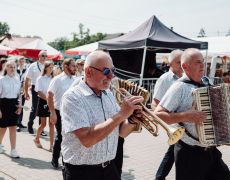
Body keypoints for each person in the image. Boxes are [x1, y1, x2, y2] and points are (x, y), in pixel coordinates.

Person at [60, 50, 143, 180]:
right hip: (82, 172)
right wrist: (122, 114)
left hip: (109, 168)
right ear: (88, 72)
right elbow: (87, 139)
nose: (111, 76)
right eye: (105, 71)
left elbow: (121, 132)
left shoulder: (108, 94)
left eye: (112, 70)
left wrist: (132, 120)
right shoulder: (72, 97)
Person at [154, 48, 230, 180]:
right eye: (198, 62)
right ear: (185, 66)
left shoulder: (206, 81)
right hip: (189, 153)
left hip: (210, 150)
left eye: (203, 62)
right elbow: (158, 115)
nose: (203, 65)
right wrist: (186, 116)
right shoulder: (179, 87)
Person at [152, 49, 183, 180]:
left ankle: (159, 177)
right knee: (176, 152)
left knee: (173, 152)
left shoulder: (187, 77)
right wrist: (168, 122)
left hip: (186, 122)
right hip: (175, 123)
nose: (182, 64)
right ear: (171, 63)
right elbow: (155, 104)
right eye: (178, 62)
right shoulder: (164, 79)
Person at [47, 58, 76, 169]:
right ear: (65, 66)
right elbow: (49, 95)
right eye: (73, 66)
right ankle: (55, 159)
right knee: (61, 136)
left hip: (72, 112)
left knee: (70, 137)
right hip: (59, 112)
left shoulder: (76, 79)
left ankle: (66, 160)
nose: (75, 68)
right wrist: (52, 112)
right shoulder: (57, 79)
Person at [0, 61, 22, 158]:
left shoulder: (17, 79)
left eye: (14, 67)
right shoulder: (2, 80)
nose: (12, 68)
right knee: (3, 128)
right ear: (6, 68)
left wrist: (20, 106)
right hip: (4, 104)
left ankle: (13, 149)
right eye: (10, 67)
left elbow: (19, 94)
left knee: (13, 127)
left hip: (14, 105)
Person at [24, 50, 47, 135]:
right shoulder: (33, 65)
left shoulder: (47, 65)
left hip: (44, 89)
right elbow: (27, 79)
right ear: (39, 56)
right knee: (35, 108)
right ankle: (30, 124)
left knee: (43, 108)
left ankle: (41, 129)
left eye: (45, 56)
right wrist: (26, 92)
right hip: (35, 88)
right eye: (43, 55)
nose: (44, 57)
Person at [34, 61, 54, 151]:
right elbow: (39, 91)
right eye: (50, 67)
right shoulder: (40, 78)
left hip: (52, 102)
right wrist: (47, 99)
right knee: (43, 124)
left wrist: (51, 101)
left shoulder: (54, 78)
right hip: (43, 101)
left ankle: (51, 145)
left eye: (52, 67)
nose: (51, 68)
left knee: (51, 124)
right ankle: (36, 138)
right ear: (45, 68)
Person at [16, 56, 27, 132]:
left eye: (23, 61)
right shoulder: (15, 70)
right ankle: (16, 123)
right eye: (20, 61)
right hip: (15, 90)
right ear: (18, 62)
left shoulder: (26, 70)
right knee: (16, 106)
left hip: (22, 90)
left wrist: (24, 89)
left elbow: (27, 81)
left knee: (21, 106)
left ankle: (19, 122)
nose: (21, 62)